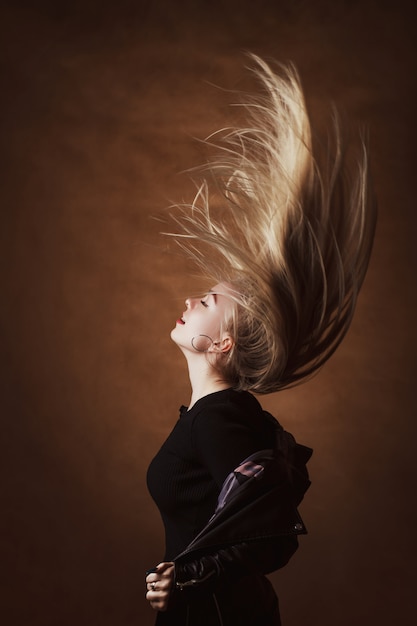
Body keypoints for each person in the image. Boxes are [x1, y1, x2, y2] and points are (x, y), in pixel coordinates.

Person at [145, 56, 376, 625]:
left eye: (206, 302)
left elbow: (272, 530)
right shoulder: (209, 415)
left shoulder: (218, 419)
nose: (190, 300)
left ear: (221, 344)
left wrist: (192, 579)